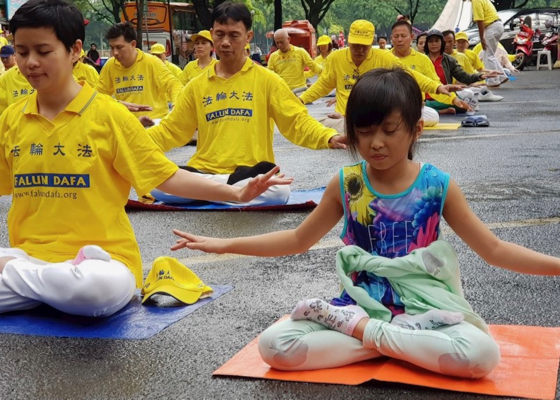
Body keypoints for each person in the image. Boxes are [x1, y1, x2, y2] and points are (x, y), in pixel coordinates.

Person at [171, 67, 560, 377]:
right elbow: (297, 239)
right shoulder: (347, 184)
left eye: (389, 131)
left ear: (416, 129)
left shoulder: (437, 185)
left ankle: (371, 339)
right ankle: (399, 344)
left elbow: (494, 250)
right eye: (365, 131)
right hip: (360, 304)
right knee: (274, 346)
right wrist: (221, 244)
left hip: (424, 310)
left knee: (482, 355)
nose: (376, 143)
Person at [0, 0, 290, 317]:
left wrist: (236, 193)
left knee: (94, 292)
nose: (30, 63)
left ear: (74, 50)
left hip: (102, 263)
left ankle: (27, 278)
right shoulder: (12, 119)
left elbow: (166, 176)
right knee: (72, 290)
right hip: (29, 254)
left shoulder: (108, 116)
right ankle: (43, 283)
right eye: (22, 51)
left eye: (43, 51)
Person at [143, 2, 346, 207]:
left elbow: (296, 121)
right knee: (154, 183)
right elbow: (171, 129)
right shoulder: (196, 86)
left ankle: (213, 191)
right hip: (204, 171)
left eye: (234, 35)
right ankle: (232, 193)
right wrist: (131, 141)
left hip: (249, 173)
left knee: (279, 191)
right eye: (220, 34)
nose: (225, 42)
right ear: (212, 34)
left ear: (248, 37)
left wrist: (328, 136)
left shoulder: (267, 81)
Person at [299, 20, 461, 134]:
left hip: (375, 115)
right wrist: (301, 100)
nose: (360, 50)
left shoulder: (383, 58)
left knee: (426, 117)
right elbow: (324, 84)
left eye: (365, 46)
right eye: (356, 46)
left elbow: (408, 74)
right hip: (346, 116)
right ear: (349, 41)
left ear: (372, 42)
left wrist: (437, 87)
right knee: (310, 126)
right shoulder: (336, 58)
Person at [390, 21, 470, 125]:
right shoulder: (385, 57)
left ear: (411, 37)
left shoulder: (422, 59)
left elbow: (434, 84)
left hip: (414, 107)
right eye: (396, 36)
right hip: (390, 105)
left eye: (403, 36)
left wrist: (454, 99)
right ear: (391, 38)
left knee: (433, 117)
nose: (399, 40)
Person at [97, 22, 183, 119]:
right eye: (112, 48)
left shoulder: (151, 62)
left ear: (133, 44)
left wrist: (177, 107)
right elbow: (99, 96)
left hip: (153, 122)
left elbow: (173, 85)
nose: (115, 53)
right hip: (127, 124)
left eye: (119, 47)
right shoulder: (110, 66)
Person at [424, 30, 497, 114]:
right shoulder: (422, 59)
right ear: (427, 44)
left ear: (441, 43)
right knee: (416, 106)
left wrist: (481, 76)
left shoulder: (449, 60)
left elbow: (463, 76)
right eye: (431, 41)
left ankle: (431, 108)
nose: (434, 44)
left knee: (461, 106)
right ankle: (435, 109)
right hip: (426, 97)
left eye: (437, 41)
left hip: (445, 96)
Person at [442, 30, 503, 102]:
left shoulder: (463, 56)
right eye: (459, 42)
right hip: (445, 88)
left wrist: (484, 75)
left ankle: (479, 95)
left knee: (479, 88)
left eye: (450, 41)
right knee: (469, 92)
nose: (447, 45)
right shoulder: (437, 57)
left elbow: (469, 75)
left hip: (461, 86)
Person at [267, 29, 322, 93]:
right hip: (283, 92)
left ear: (288, 39)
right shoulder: (273, 56)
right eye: (277, 43)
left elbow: (313, 66)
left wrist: (325, 72)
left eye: (282, 42)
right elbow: (269, 75)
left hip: (300, 91)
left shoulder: (300, 52)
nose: (279, 45)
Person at [469, 0, 508, 87]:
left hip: (491, 27)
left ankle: (493, 81)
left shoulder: (476, 1)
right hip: (497, 25)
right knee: (490, 54)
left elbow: (480, 21)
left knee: (487, 55)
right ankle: (501, 76)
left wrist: (482, 38)